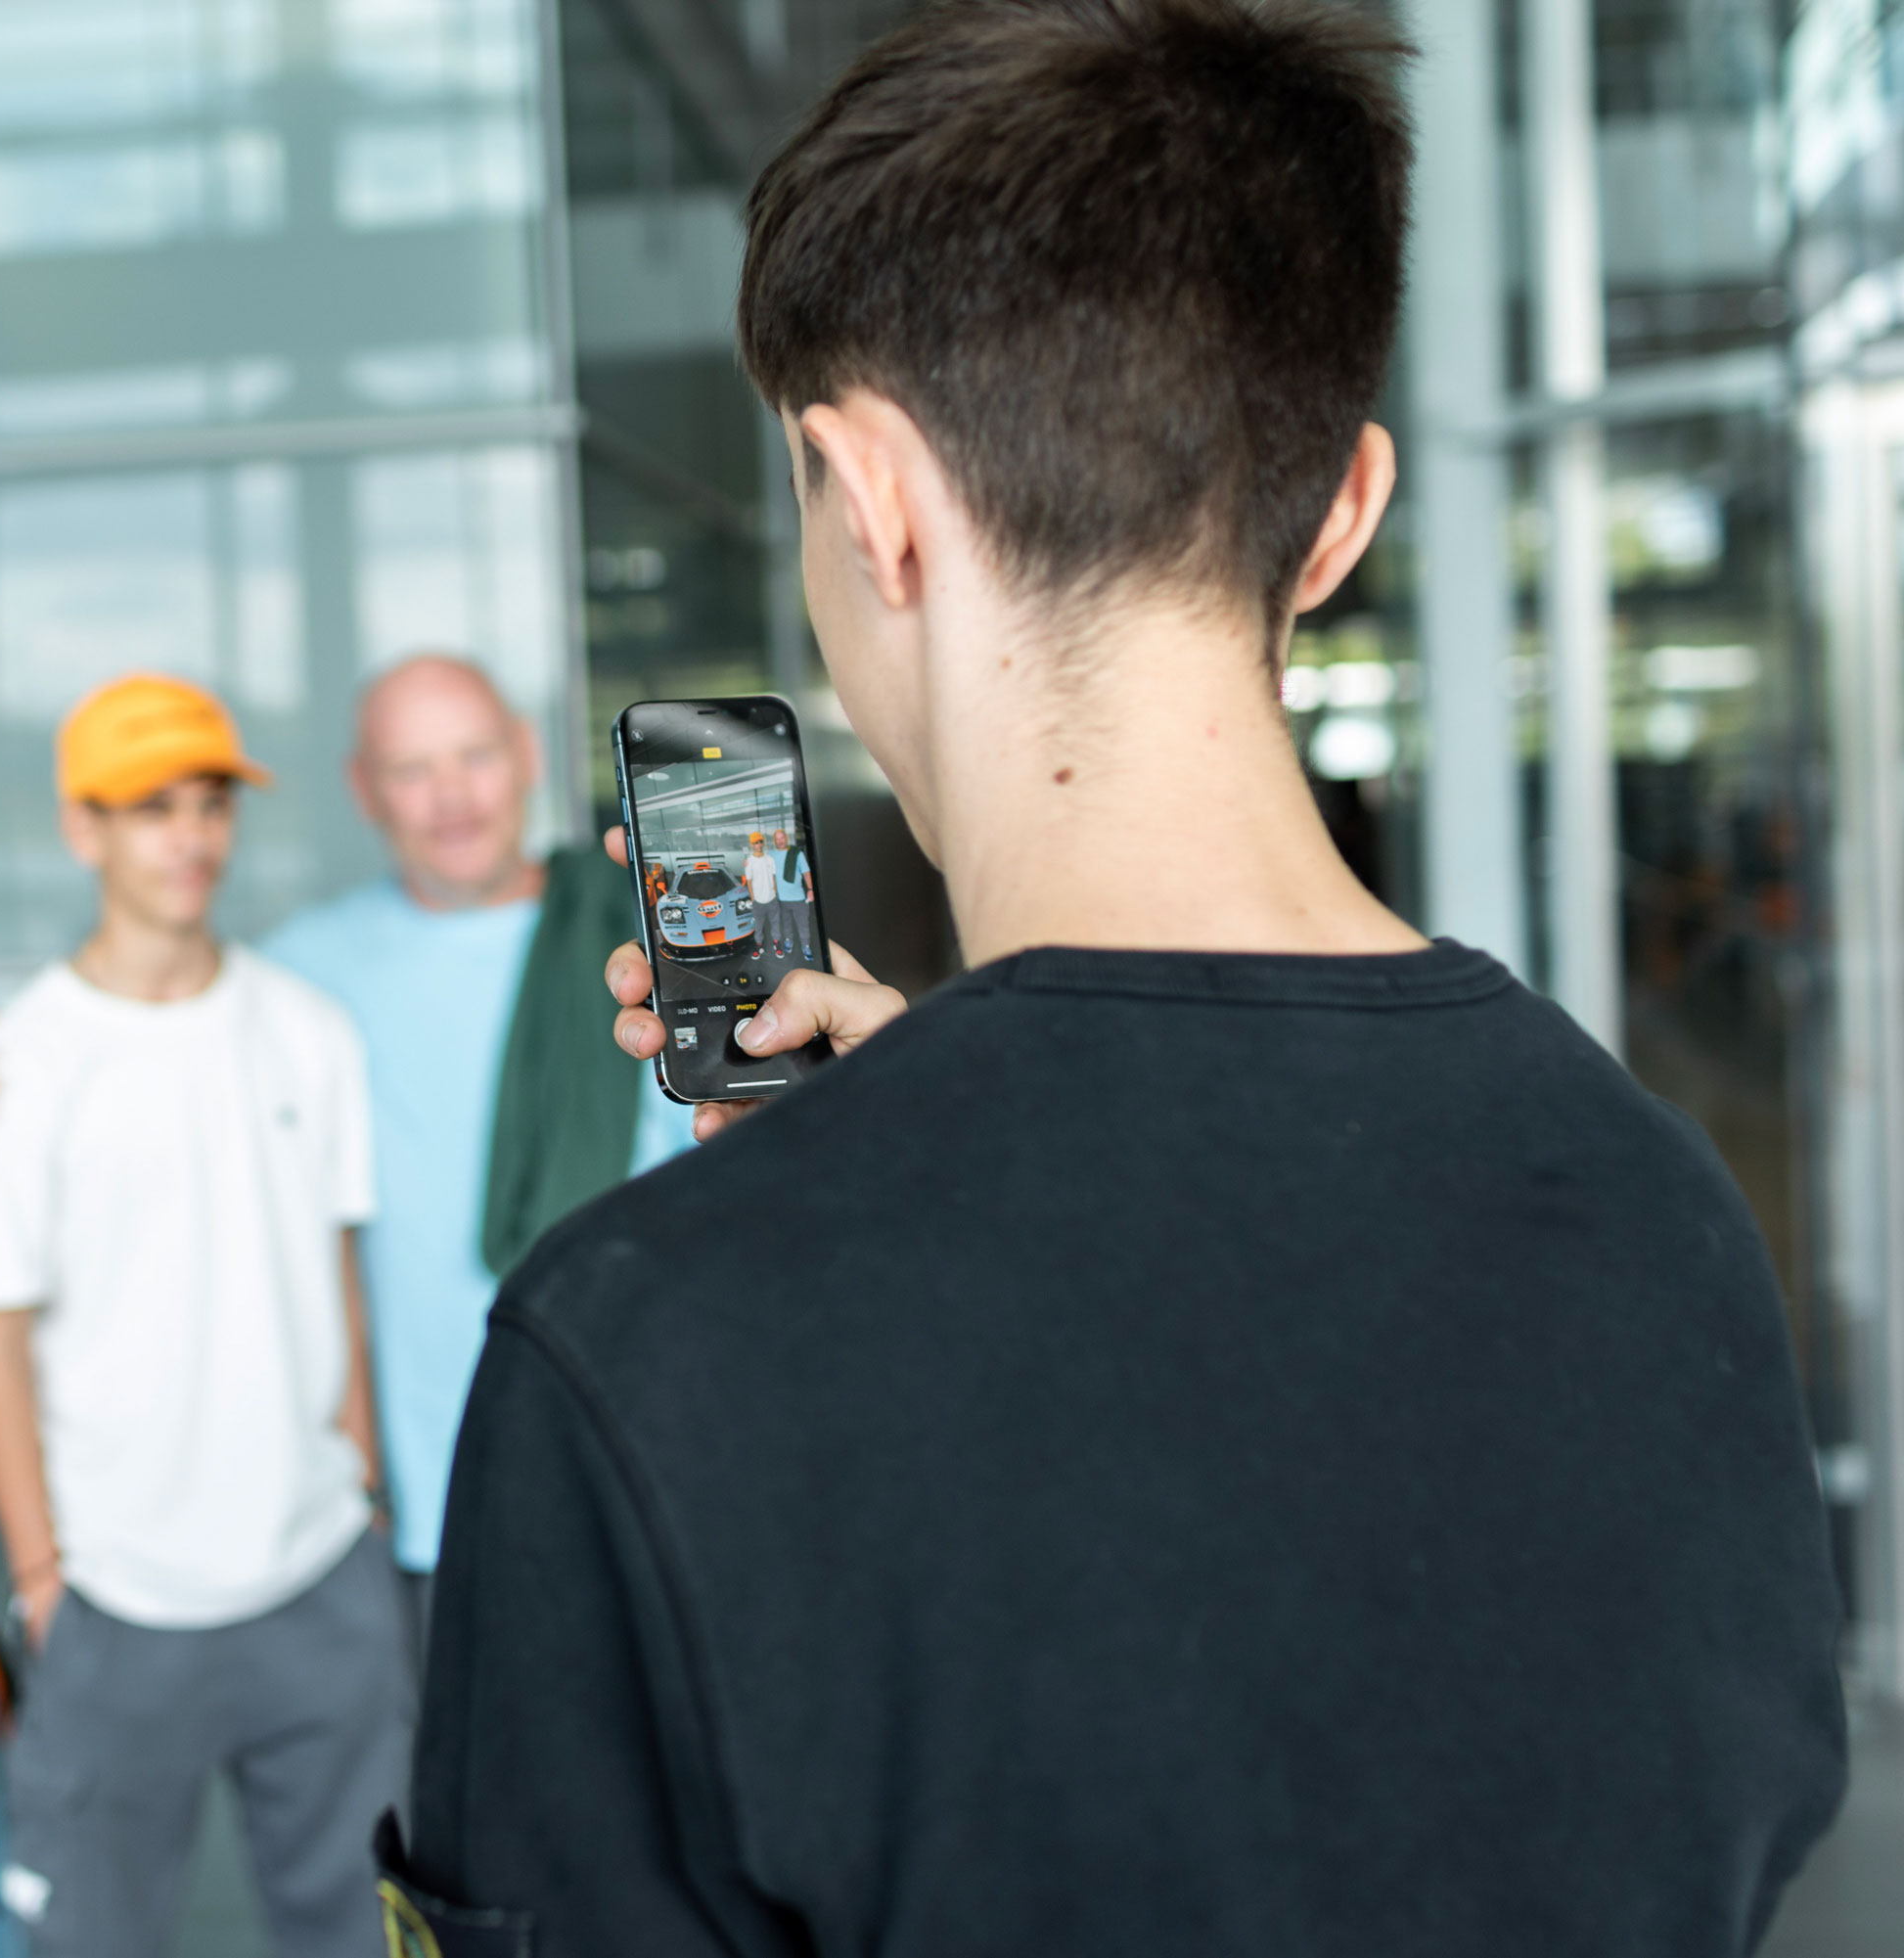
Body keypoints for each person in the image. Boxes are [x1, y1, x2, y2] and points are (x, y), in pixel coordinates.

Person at [382, 3, 1847, 1953]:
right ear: (1341, 511)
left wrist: (888, 1180)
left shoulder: (653, 1344)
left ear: (871, 496)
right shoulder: (1667, 1224)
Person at [0, 656, 694, 1640]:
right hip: (422, 1505)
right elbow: (139, 1020)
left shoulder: (653, 946)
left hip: (634, 1457)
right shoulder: (301, 978)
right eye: (413, 770)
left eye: (476, 757)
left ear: (529, 756)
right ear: (363, 790)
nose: (452, 797)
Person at [0, 673, 406, 1958]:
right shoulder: (11, 1069)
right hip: (117, 1603)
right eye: (153, 808)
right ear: (83, 830)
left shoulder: (308, 1031)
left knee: (368, 1938)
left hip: (320, 1579)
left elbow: (337, 1279)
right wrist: (43, 1579)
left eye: (209, 803)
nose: (191, 835)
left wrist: (360, 1488)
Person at [771, 826, 814, 963]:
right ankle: (788, 941)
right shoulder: (771, 854)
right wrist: (747, 862)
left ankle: (806, 946)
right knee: (786, 923)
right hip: (781, 899)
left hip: (798, 899)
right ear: (775, 841)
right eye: (777, 839)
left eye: (782, 838)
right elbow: (758, 861)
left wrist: (811, 889)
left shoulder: (796, 853)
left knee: (803, 925)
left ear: (786, 838)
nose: (780, 841)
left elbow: (806, 873)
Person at [739, 830, 778, 962]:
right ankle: (759, 945)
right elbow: (749, 881)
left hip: (772, 898)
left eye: (761, 841)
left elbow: (773, 877)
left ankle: (777, 943)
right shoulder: (749, 862)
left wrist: (775, 893)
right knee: (758, 925)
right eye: (756, 842)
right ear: (752, 845)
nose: (759, 844)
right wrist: (753, 898)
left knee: (775, 923)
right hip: (758, 901)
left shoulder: (770, 859)